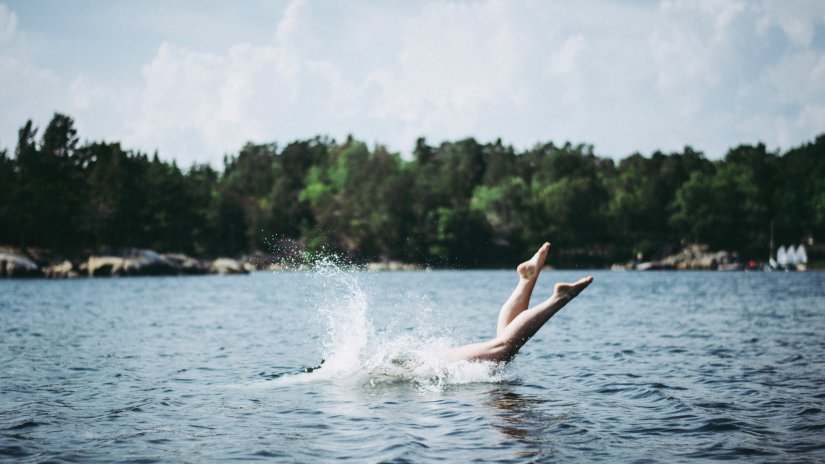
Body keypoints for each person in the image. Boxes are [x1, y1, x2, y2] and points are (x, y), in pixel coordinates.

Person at [446, 242, 593, 363]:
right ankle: (527, 279)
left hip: (430, 364)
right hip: (428, 361)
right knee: (502, 348)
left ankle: (559, 298)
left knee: (501, 350)